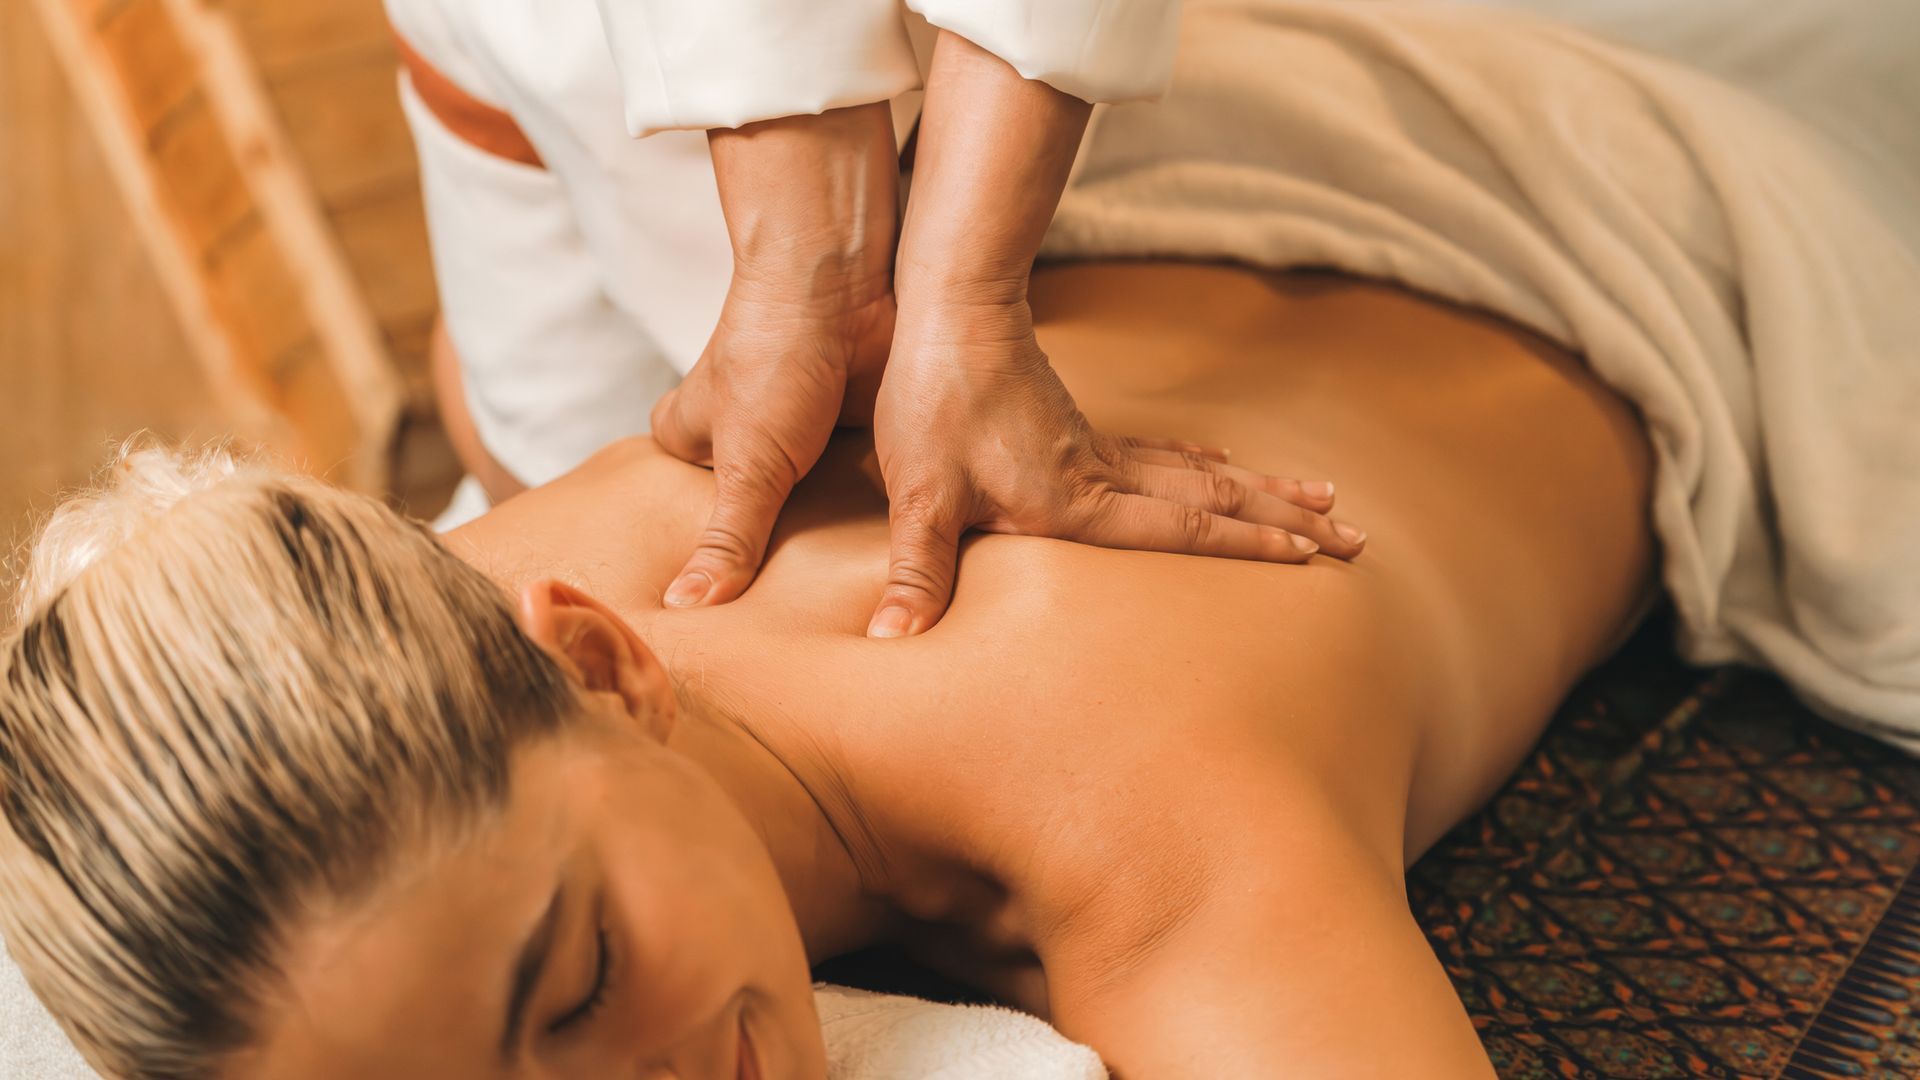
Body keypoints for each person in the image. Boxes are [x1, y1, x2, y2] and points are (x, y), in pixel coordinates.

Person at [0, 259, 1652, 1080]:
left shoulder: (1115, 787)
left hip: (1556, 243)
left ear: (598, 657)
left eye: (578, 986)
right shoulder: (384, 683)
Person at [394, 0, 1363, 642]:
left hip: (957, 75)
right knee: (524, 462)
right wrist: (809, 276)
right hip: (514, 52)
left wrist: (964, 303)